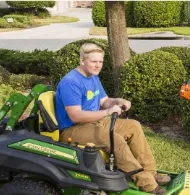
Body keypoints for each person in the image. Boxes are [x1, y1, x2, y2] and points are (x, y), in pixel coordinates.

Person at [55, 43, 170, 194]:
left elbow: (104, 101)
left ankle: (151, 172)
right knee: (114, 139)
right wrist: (107, 112)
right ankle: (148, 185)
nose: (98, 65)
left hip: (94, 122)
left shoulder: (93, 77)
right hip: (73, 129)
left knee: (134, 126)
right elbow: (75, 115)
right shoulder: (71, 82)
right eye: (94, 62)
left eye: (101, 62)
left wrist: (118, 101)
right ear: (82, 60)